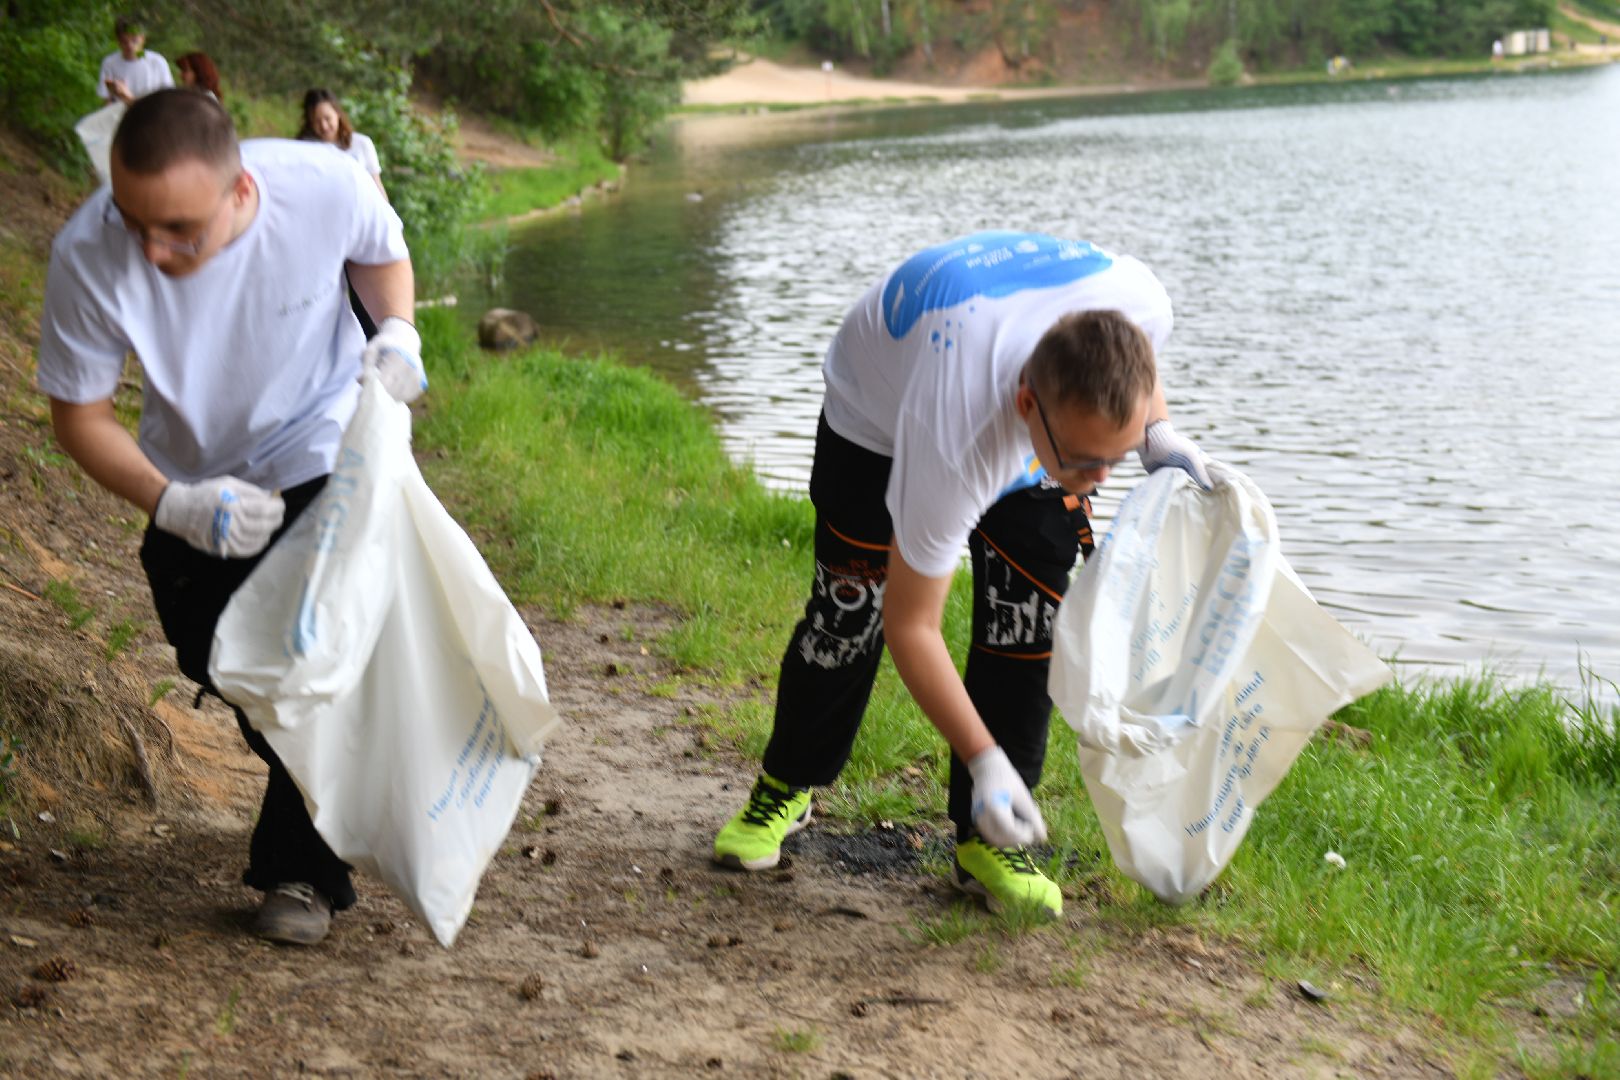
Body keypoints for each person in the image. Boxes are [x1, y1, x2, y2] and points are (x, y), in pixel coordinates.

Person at [711, 232, 1213, 918]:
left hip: (1009, 390)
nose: (1099, 481)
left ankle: (987, 840)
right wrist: (983, 757)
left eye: (1114, 461)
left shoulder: (1140, 301)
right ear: (1029, 406)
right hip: (877, 420)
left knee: (1028, 620)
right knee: (848, 613)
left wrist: (1155, 433)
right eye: (1088, 462)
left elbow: (1140, 371)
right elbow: (913, 627)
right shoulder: (955, 433)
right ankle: (786, 783)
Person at [37, 89, 426, 946]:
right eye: (135, 220)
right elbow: (80, 417)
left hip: (323, 448)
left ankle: (301, 870)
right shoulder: (90, 253)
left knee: (316, 659)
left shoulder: (322, 185)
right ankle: (333, 782)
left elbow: (380, 254)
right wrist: (171, 503)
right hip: (193, 480)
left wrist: (397, 332)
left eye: (179, 228)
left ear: (242, 192)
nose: (152, 246)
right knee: (225, 661)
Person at [298, 88, 386, 199]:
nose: (324, 126)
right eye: (317, 121)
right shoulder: (304, 148)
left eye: (327, 118)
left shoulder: (362, 144)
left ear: (338, 114)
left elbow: (376, 186)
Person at [97, 14, 174, 105]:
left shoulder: (157, 62)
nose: (130, 46)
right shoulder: (110, 63)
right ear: (118, 41)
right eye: (125, 42)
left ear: (143, 39)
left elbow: (168, 97)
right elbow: (107, 99)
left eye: (134, 41)